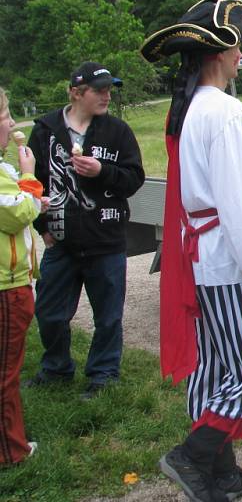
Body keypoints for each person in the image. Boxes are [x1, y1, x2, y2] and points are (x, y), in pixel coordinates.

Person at [140, 0, 242, 502]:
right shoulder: (226, 110)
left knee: (216, 370)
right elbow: (239, 207)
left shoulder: (194, 108)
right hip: (229, 266)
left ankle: (222, 474)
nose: (241, 57)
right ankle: (192, 457)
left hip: (202, 259)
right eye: (238, 48)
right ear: (221, 51)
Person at [26, 62, 144, 401]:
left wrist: (102, 171)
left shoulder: (117, 132)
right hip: (61, 242)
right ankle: (56, 368)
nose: (107, 96)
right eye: (100, 90)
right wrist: (42, 225)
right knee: (49, 312)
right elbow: (32, 182)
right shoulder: (46, 130)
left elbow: (133, 179)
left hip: (105, 239)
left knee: (108, 317)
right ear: (77, 93)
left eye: (110, 89)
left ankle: (103, 375)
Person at [0, 87, 47, 465]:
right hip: (6, 286)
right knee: (6, 372)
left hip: (11, 281)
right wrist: (30, 177)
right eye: (5, 116)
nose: (13, 123)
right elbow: (17, 213)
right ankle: (10, 451)